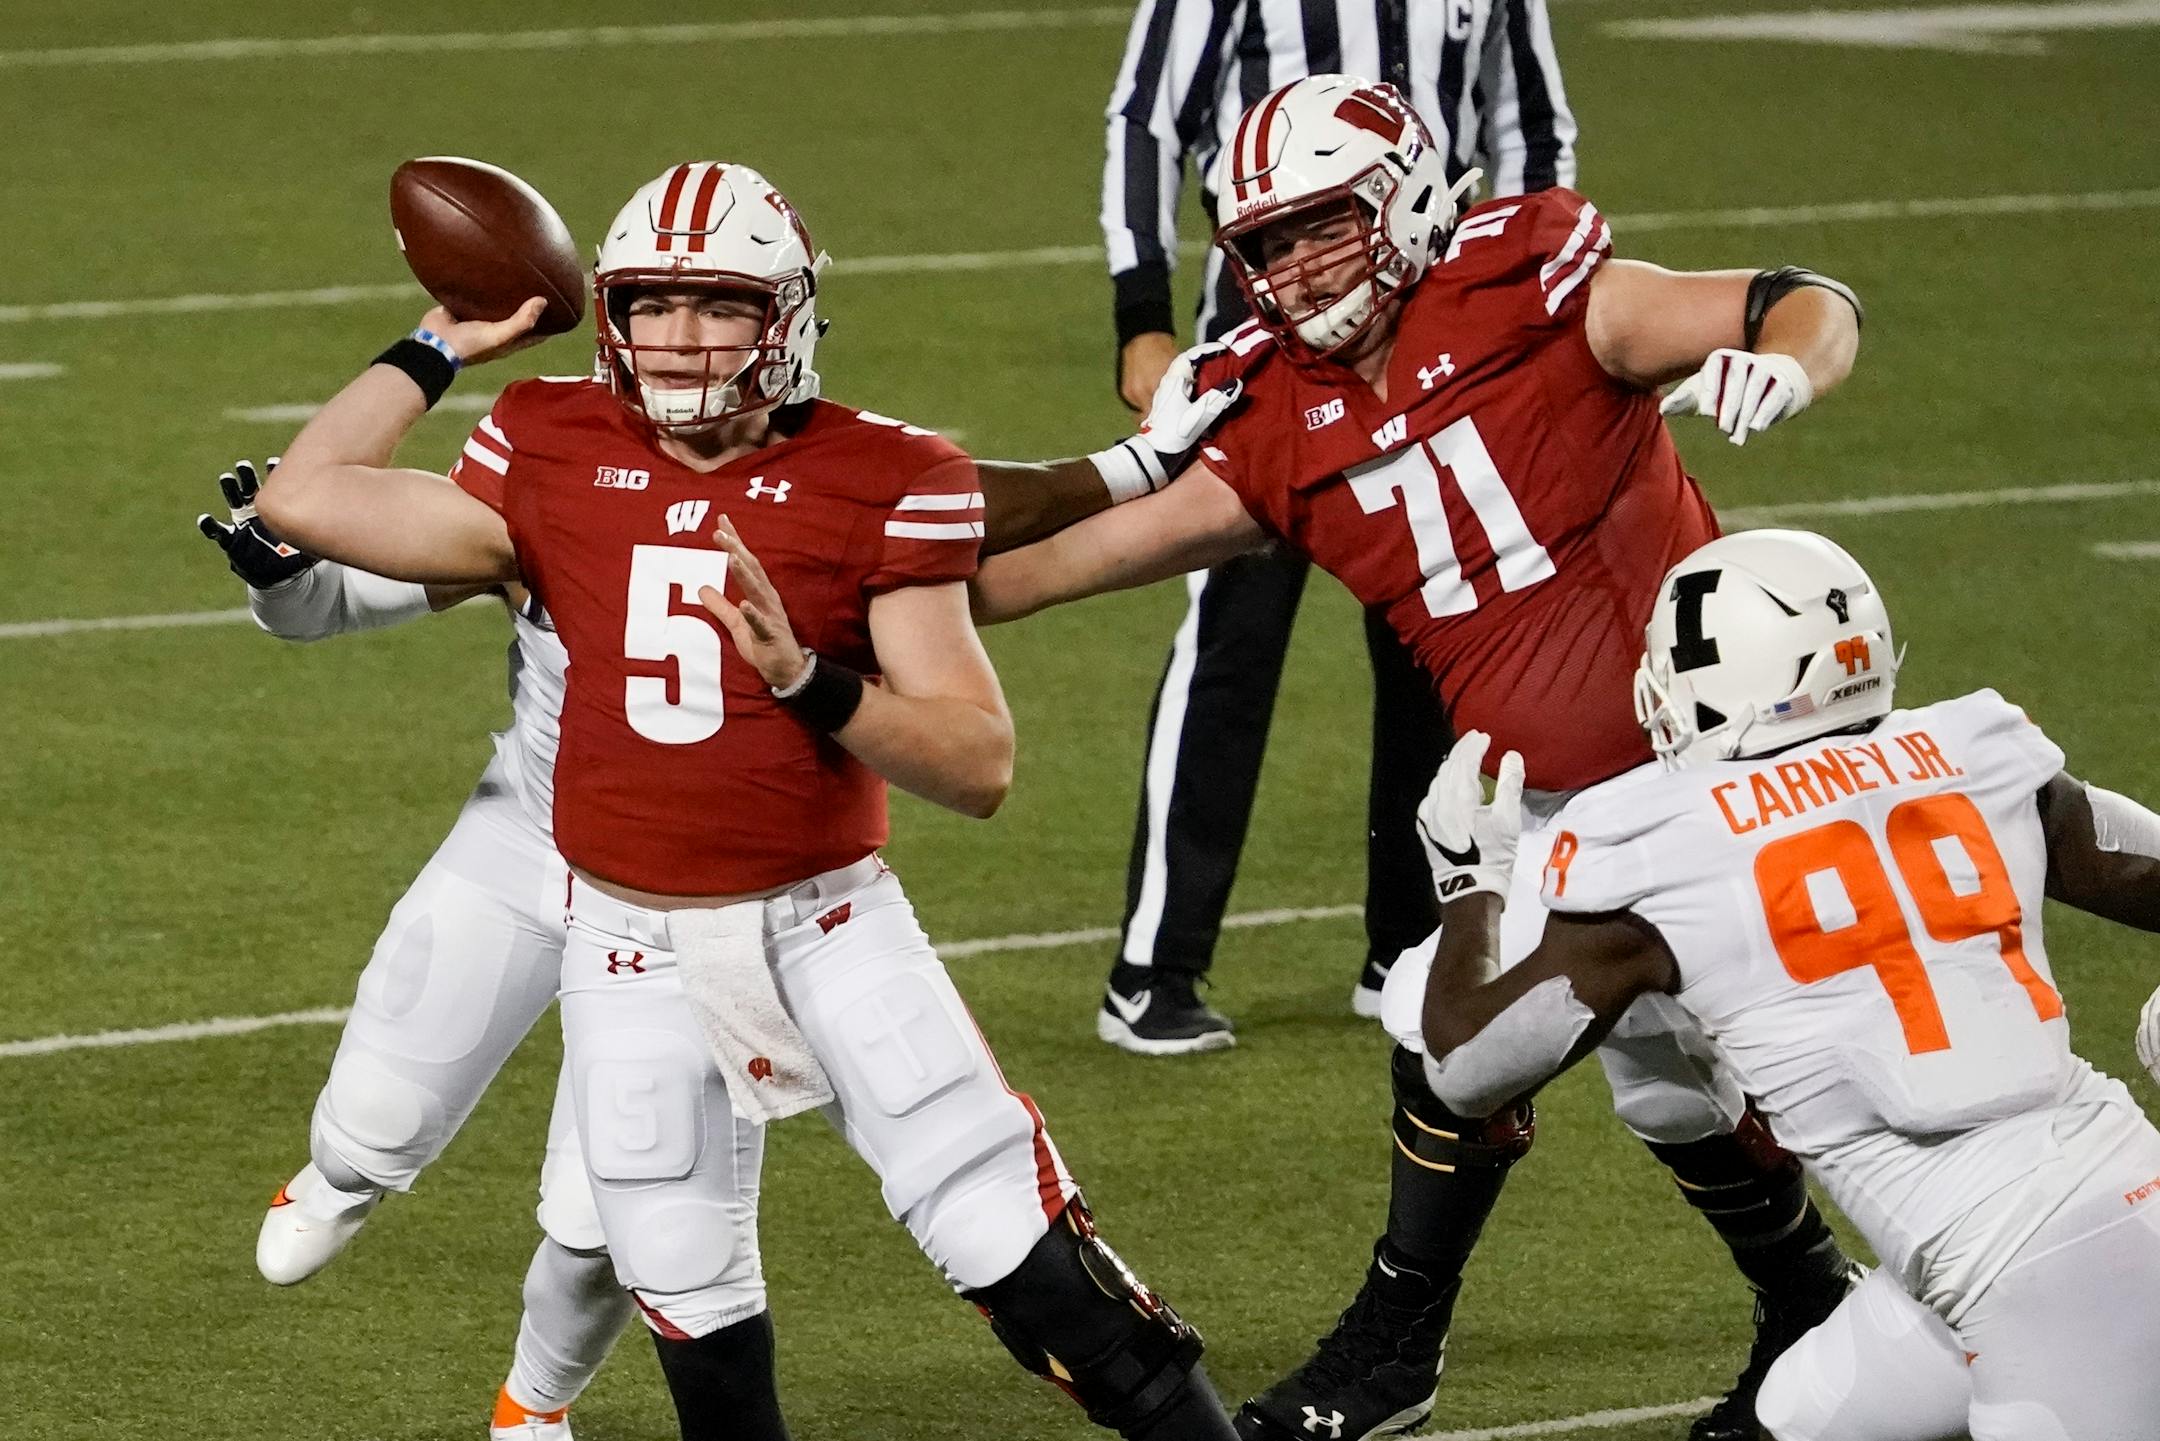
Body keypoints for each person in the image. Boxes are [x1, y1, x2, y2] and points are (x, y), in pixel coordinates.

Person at [248, 160, 1240, 1441]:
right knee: (685, 1284)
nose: (676, 337)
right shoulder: (547, 438)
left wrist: (808, 680)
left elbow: (977, 764)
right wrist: (441, 338)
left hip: (822, 920)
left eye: (716, 304)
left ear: (788, 316)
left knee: (1014, 1240)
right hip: (625, 942)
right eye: (651, 303)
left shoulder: (885, 472)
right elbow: (302, 496)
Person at [973, 73, 1865, 1441]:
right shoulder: (1269, 410)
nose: (1292, 263)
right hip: (1548, 809)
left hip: (1721, 773)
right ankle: (1812, 1315)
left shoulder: (1538, 286)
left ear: (1404, 195)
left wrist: (1787, 363)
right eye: (1262, 242)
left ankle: (1423, 1345)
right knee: (1633, 1072)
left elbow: (1801, 300)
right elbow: (1050, 566)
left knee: (1585, 1062)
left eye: (1321, 224)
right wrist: (848, 578)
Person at [1414, 528, 2160, 1441]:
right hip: (2062, 1210)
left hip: (2046, 1275)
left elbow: (1465, 1065)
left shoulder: (1662, 843)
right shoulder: (1977, 751)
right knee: (1786, 1423)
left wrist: (1467, 888)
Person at [1096, 0, 1579, 1052]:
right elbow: (1146, 118)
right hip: (1272, 352)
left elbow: (1531, 127)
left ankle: (1405, 942)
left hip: (1433, 346)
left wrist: (1521, 304)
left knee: (1436, 635)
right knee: (1230, 646)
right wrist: (1143, 310)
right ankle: (1154, 965)